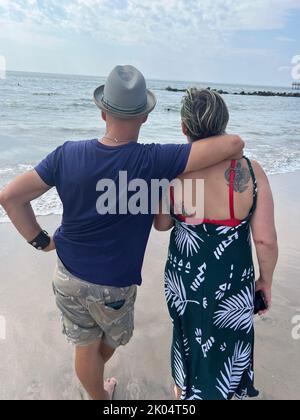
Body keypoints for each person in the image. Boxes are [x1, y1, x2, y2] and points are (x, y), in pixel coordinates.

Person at [0, 67, 244, 401]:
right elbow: (233, 143)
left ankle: (98, 394)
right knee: (110, 340)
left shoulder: (66, 153)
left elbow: (10, 197)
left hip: (67, 274)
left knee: (83, 344)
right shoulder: (156, 160)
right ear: (145, 116)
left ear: (103, 111)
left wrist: (42, 241)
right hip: (114, 286)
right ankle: (99, 391)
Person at [155, 88, 278, 400]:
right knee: (231, 335)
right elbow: (264, 240)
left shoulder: (174, 172)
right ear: (225, 124)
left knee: (187, 331)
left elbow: (162, 224)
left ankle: (186, 387)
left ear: (184, 128)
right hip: (233, 278)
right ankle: (228, 390)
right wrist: (265, 280)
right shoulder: (251, 171)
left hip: (185, 277)